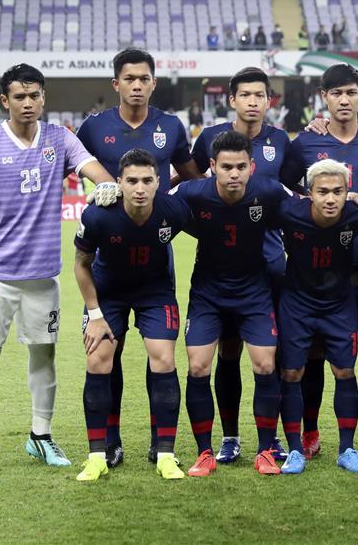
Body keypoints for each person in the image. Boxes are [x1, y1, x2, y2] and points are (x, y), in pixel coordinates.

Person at [0, 63, 117, 477]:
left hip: (43, 278)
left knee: (44, 356)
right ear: (4, 101)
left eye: (34, 96)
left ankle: (40, 436)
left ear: (43, 97)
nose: (28, 104)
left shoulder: (59, 139)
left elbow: (91, 169)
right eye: (19, 97)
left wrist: (106, 184)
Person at [75, 47, 200, 467]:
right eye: (129, 79)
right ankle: (109, 441)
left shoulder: (170, 126)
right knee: (105, 352)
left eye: (144, 78)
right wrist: (101, 188)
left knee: (160, 355)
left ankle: (158, 443)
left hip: (154, 265)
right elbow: (73, 164)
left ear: (153, 83)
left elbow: (190, 172)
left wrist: (171, 198)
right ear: (116, 84)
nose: (137, 85)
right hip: (108, 262)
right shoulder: (94, 128)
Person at [281, 64, 358, 459]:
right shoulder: (304, 144)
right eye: (336, 94)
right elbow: (287, 190)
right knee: (312, 353)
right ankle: (310, 432)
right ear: (324, 98)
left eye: (350, 93)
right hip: (315, 270)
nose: (344, 100)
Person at [170, 131, 294, 477]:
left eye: (241, 166)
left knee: (266, 365)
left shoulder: (268, 190)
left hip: (254, 292)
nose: (234, 173)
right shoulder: (192, 192)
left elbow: (305, 206)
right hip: (208, 293)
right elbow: (155, 206)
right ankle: (204, 453)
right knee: (198, 367)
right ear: (212, 167)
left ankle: (266, 450)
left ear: (252, 166)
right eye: (226, 167)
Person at [190, 67, 292, 462]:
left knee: (273, 358)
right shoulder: (210, 140)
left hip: (269, 267)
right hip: (219, 269)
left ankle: (275, 438)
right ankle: (229, 437)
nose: (253, 101)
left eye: (260, 95)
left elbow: (296, 195)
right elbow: (190, 185)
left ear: (269, 100)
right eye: (244, 94)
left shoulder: (282, 141)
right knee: (226, 354)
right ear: (231, 99)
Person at [73, 149, 192, 481]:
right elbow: (81, 265)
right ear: (119, 183)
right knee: (98, 358)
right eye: (132, 181)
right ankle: (97, 456)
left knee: (164, 358)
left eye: (147, 181)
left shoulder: (175, 211)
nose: (140, 188)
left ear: (158, 183)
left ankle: (165, 454)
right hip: (108, 293)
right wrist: (95, 315)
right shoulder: (98, 215)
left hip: (155, 292)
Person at [275, 159, 358, 474]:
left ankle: (347, 449)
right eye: (323, 192)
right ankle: (294, 450)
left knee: (345, 372)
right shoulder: (289, 212)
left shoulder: (357, 213)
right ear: (309, 193)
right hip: (297, 303)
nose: (330, 199)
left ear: (348, 192)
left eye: (338, 191)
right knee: (291, 374)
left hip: (339, 305)